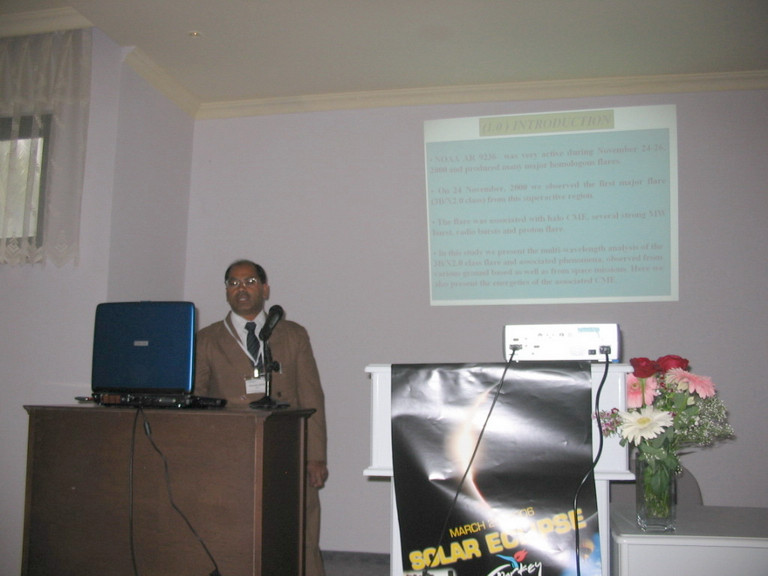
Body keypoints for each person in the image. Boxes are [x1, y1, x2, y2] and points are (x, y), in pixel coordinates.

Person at [195, 259, 328, 576]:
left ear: (265, 289)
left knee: (300, 531)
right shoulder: (206, 339)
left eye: (250, 282)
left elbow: (311, 397)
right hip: (231, 455)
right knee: (234, 533)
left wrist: (316, 456)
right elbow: (196, 401)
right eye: (233, 283)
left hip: (287, 450)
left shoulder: (293, 335)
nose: (241, 288)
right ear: (226, 291)